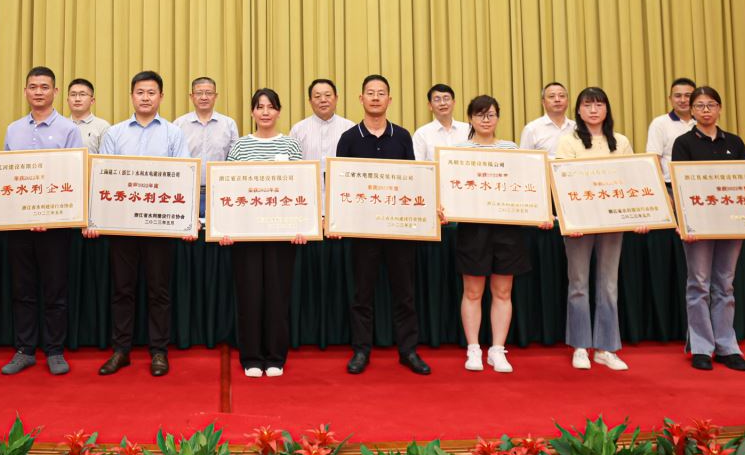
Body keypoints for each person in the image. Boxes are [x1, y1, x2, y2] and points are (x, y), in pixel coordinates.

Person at [90, 70, 196, 377]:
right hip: (121, 225)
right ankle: (121, 350)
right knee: (122, 289)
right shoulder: (115, 133)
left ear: (161, 96)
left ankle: (159, 351)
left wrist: (187, 221)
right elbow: (103, 176)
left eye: (151, 92)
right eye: (140, 92)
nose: (145, 98)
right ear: (131, 96)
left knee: (158, 291)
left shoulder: (173, 133)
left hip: (159, 225)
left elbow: (184, 176)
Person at [333, 75, 432, 376]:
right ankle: (361, 350)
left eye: (381, 93)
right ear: (360, 98)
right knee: (362, 294)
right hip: (362, 230)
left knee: (405, 294)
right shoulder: (349, 138)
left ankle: (408, 351)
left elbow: (414, 180)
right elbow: (341, 184)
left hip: (398, 229)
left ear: (389, 99)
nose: (375, 98)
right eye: (370, 93)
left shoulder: (402, 136)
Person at [439, 95, 544, 374]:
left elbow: (526, 186)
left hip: (507, 228)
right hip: (473, 229)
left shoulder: (511, 149)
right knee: (473, 291)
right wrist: (445, 208)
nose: (486, 120)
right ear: (470, 119)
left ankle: (497, 349)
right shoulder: (458, 151)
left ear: (498, 117)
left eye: (491, 115)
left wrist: (538, 209)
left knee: (503, 291)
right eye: (480, 115)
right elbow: (448, 190)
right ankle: (473, 348)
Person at [0, 67, 85, 377]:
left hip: (55, 227)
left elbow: (75, 176)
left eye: (44, 87)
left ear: (55, 92)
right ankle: (24, 350)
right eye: (33, 87)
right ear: (25, 91)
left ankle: (54, 350)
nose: (38, 92)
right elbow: (6, 175)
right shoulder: (13, 130)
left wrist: (49, 214)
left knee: (54, 290)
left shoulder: (69, 129)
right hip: (19, 224)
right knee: (22, 289)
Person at [221, 89, 309, 378]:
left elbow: (300, 188)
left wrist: (302, 227)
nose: (265, 112)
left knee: (277, 297)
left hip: (282, 235)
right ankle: (251, 357)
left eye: (271, 107)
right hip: (246, 235)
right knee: (249, 297)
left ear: (279, 111)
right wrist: (225, 228)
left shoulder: (291, 145)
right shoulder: (240, 147)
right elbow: (228, 188)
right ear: (252, 112)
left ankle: (275, 357)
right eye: (260, 107)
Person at [553, 87, 642, 372]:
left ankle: (606, 348)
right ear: (578, 110)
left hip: (613, 220)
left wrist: (638, 214)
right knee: (578, 284)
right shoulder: (568, 141)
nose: (593, 110)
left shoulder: (621, 141)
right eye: (588, 105)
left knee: (608, 284)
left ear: (607, 109)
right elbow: (562, 182)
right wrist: (569, 220)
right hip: (579, 222)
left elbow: (632, 180)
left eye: (599, 105)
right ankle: (580, 346)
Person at [670, 86, 745, 373]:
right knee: (698, 285)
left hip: (731, 221)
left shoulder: (735, 142)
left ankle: (727, 346)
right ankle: (702, 347)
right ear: (691, 110)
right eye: (700, 105)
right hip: (698, 223)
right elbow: (680, 185)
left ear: (719, 108)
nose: (706, 110)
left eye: (711, 105)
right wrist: (684, 222)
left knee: (725, 285)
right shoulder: (683, 143)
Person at [174, 77, 239, 213]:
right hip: (186, 192)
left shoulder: (229, 124)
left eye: (209, 93)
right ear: (191, 96)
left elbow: (234, 161)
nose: (204, 97)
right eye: (199, 93)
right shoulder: (179, 124)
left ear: (216, 96)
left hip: (220, 192)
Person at [289, 78, 353, 168]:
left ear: (336, 98)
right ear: (310, 101)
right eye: (317, 96)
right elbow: (291, 164)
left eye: (328, 95)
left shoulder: (349, 127)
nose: (323, 100)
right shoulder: (298, 129)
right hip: (308, 177)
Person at [644, 77, 696, 181]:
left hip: (699, 181)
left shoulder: (703, 123)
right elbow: (654, 160)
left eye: (688, 96)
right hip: (670, 183)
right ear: (670, 99)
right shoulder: (659, 123)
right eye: (678, 96)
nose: (683, 100)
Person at [413, 83, 471, 161]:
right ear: (430, 105)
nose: (442, 103)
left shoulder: (468, 130)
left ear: (453, 103)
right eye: (437, 100)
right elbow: (418, 165)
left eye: (446, 99)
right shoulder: (421, 134)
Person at [518, 82, 574, 155]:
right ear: (543, 102)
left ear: (567, 101)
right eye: (551, 96)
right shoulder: (532, 129)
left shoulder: (576, 127)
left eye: (562, 96)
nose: (557, 99)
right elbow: (524, 159)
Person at [67, 78, 110, 154]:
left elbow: (105, 158)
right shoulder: (60, 125)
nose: (77, 99)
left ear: (92, 101)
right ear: (68, 100)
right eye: (73, 95)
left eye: (82, 94)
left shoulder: (103, 126)